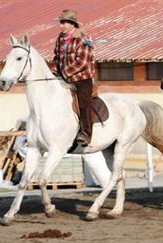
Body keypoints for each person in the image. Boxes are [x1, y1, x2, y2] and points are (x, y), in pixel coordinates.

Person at [51, 9, 95, 146]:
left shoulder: (83, 38)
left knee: (83, 104)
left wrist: (64, 73)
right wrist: (53, 70)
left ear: (72, 24)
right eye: (61, 22)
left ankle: (86, 134)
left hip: (82, 78)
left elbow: (82, 62)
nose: (61, 25)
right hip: (64, 76)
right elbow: (56, 57)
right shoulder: (60, 38)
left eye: (64, 23)